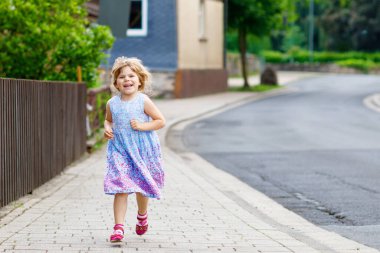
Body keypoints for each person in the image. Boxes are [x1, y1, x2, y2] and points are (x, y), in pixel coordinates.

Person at [103, 56, 165, 243]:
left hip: (142, 151)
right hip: (120, 149)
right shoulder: (112, 103)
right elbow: (109, 120)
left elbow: (160, 121)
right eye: (122, 77)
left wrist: (142, 126)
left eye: (131, 76)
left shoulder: (143, 100)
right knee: (120, 188)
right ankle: (118, 228)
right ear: (116, 83)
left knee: (141, 188)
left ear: (140, 81)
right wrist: (106, 128)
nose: (127, 80)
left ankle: (142, 214)